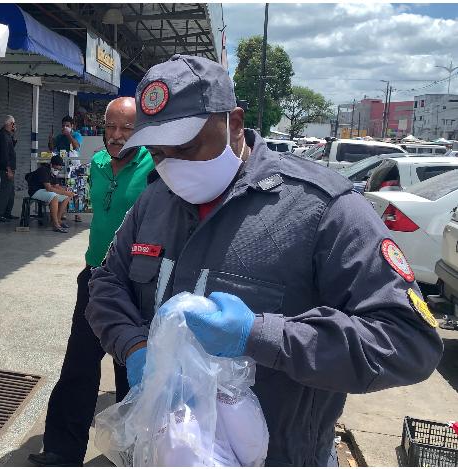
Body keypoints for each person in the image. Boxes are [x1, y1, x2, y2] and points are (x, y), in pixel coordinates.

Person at [85, 55, 443, 466]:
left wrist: (260, 336)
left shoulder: (321, 209)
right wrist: (134, 346)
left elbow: (408, 342)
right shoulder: (154, 202)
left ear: (234, 123)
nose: (172, 166)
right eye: (157, 152)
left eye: (185, 147)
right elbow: (107, 284)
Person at [29, 97, 155, 467]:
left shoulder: (156, 168)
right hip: (94, 277)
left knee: (129, 371)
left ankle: (131, 453)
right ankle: (61, 451)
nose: (117, 136)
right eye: (111, 127)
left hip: (136, 284)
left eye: (126, 128)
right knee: (79, 365)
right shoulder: (98, 163)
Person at [27, 155, 73, 233]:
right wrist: (65, 192)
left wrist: (69, 192)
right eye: (56, 168)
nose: (57, 170)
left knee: (66, 197)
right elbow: (49, 188)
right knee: (53, 196)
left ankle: (58, 219)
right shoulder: (43, 170)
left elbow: (56, 186)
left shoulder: (53, 173)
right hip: (35, 191)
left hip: (44, 191)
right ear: (51, 164)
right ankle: (55, 225)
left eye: (59, 168)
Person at [0, 115, 18, 222]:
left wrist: (13, 134)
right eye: (13, 123)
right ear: (10, 124)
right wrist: (8, 169)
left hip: (10, 167)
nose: (14, 125)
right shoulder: (2, 135)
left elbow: (10, 147)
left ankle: (7, 213)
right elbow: (3, 154)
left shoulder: (7, 134)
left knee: (11, 192)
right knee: (5, 191)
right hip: (6, 168)